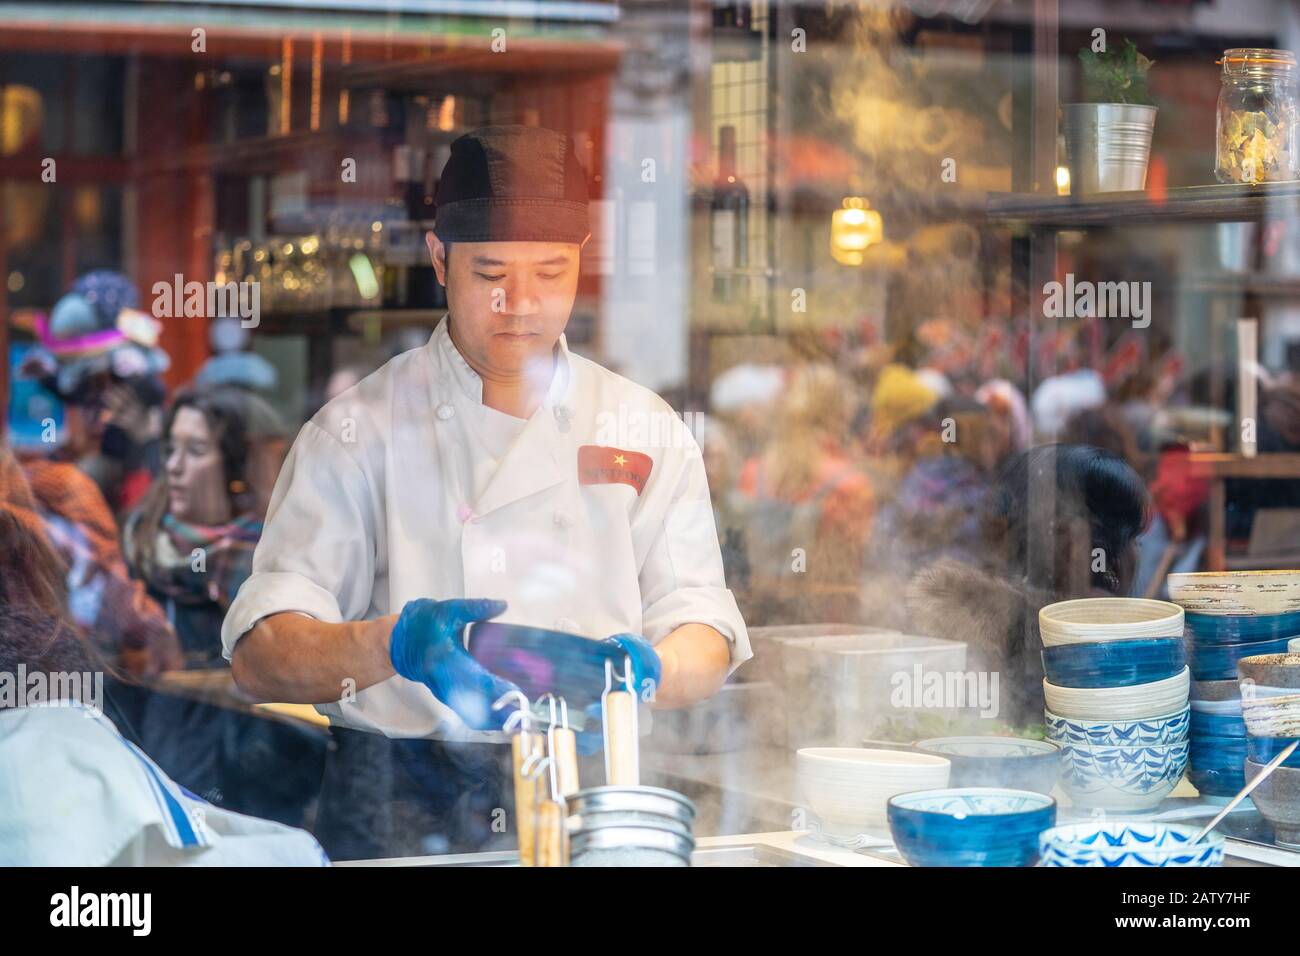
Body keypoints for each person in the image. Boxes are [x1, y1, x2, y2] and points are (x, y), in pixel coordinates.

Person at [221, 125, 752, 859]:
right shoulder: (357, 431)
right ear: (440, 260)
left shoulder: (642, 425)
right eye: (491, 272)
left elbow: (703, 624)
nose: (521, 302)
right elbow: (260, 658)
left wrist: (646, 671)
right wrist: (395, 645)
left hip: (592, 783)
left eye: (551, 272)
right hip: (400, 798)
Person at [0, 441, 327, 867]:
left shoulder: (249, 556)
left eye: (196, 450)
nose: (175, 465)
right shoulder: (136, 536)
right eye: (171, 449)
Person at [907, 444, 1151, 726]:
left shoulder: (1137, 653)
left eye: (1133, 539)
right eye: (1091, 535)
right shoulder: (966, 635)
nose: (1120, 557)